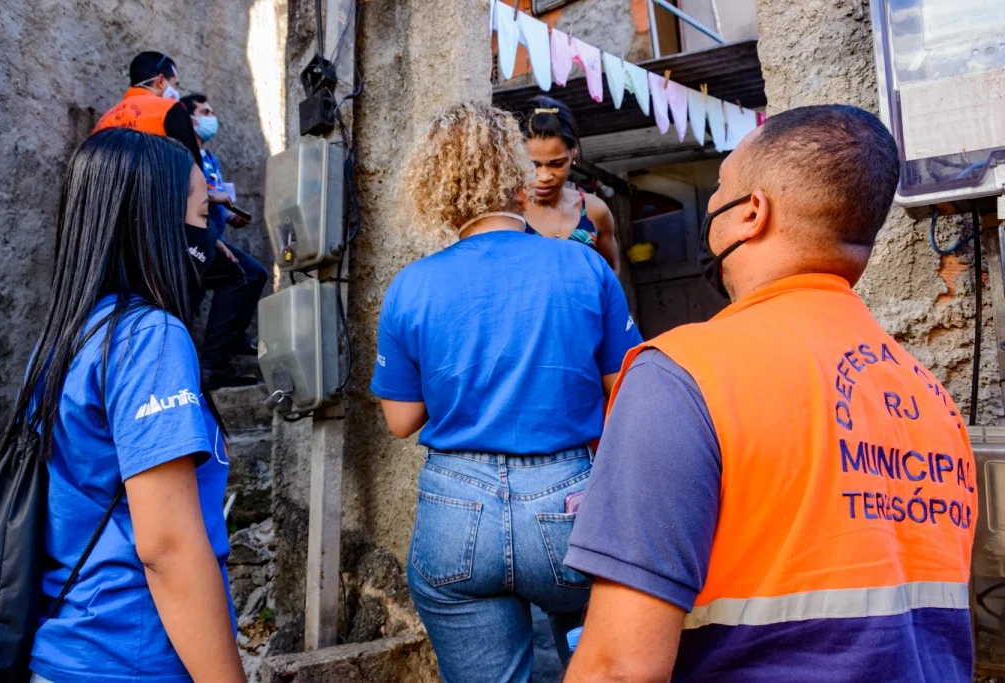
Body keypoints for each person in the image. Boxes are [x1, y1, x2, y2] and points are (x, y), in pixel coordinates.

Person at [563, 105, 977, 682]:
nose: (713, 205)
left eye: (719, 189)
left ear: (752, 213)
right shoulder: (932, 399)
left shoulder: (684, 376)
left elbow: (618, 667)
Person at [371, 102, 642, 681]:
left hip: (454, 509)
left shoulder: (410, 286)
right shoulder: (584, 267)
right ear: (514, 173)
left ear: (438, 189)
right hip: (570, 501)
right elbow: (626, 388)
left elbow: (401, 419)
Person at [5, 129, 245, 682]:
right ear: (155, 221)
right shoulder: (149, 338)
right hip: (129, 656)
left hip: (65, 648)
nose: (211, 229)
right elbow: (169, 547)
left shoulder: (67, 337)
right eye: (203, 212)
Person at [180, 93, 267, 388]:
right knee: (240, 276)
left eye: (211, 111)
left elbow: (214, 199)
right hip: (196, 239)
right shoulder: (184, 153)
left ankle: (229, 344)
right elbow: (187, 196)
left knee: (253, 274)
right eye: (204, 112)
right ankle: (213, 365)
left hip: (213, 236)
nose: (211, 117)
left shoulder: (210, 159)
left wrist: (230, 217)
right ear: (189, 118)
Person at [522, 96, 620, 273]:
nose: (544, 176)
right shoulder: (509, 216)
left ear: (573, 152)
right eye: (533, 165)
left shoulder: (594, 211)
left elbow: (611, 273)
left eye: (557, 164)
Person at [92, 52, 201, 162]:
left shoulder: (104, 120)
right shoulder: (170, 109)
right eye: (175, 84)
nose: (176, 91)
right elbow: (192, 166)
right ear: (160, 81)